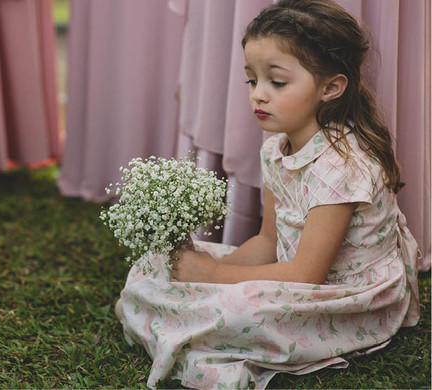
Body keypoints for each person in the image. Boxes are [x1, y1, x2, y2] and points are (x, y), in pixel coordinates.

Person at [116, 1, 421, 388]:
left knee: (239, 308)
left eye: (276, 82)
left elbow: (308, 275)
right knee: (156, 263)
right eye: (252, 80)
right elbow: (268, 241)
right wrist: (207, 275)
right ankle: (172, 320)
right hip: (291, 273)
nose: (259, 95)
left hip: (341, 295)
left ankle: (171, 329)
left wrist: (215, 276)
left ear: (331, 87)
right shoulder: (275, 150)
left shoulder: (342, 167)